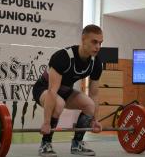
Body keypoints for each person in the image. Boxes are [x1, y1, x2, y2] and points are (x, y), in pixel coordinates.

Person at [32, 24, 103, 156]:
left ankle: (77, 144)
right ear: (83, 39)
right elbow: (53, 91)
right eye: (94, 42)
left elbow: (94, 93)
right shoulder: (63, 57)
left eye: (100, 43)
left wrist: (95, 120)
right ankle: (45, 143)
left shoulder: (96, 63)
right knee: (59, 104)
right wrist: (46, 123)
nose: (98, 46)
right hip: (43, 89)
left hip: (64, 92)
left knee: (89, 105)